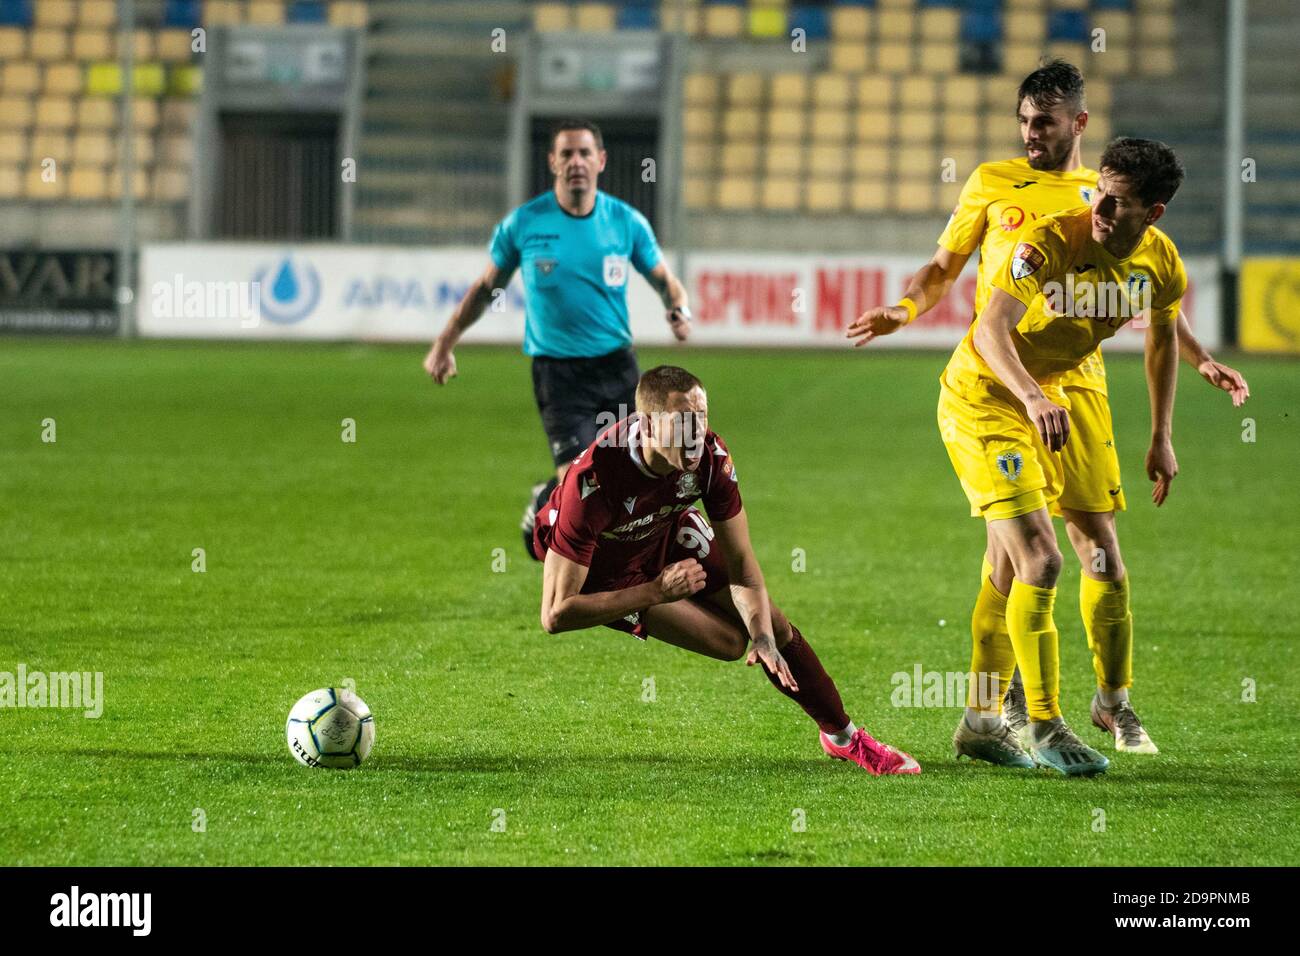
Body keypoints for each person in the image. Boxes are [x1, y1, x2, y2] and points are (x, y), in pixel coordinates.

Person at [847, 62, 1248, 765]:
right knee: (1028, 557)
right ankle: (1021, 713)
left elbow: (1151, 297)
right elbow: (947, 273)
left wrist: (1198, 360)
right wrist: (906, 307)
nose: (1032, 134)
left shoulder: (1108, 196)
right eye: (1025, 120)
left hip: (1074, 383)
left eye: (1046, 121)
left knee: (1093, 553)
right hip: (998, 375)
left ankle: (1082, 705)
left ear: (1079, 125)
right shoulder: (998, 188)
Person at [534, 364, 920, 776]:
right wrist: (655, 591)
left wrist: (765, 637)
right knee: (728, 643)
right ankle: (537, 511)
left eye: (699, 422)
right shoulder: (593, 482)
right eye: (682, 425)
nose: (695, 438)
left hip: (661, 530)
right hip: (603, 575)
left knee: (771, 626)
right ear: (647, 425)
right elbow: (555, 615)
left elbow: (742, 563)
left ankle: (844, 737)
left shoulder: (709, 455)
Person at [422, 119, 692, 555]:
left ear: (601, 161)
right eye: (566, 154)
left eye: (585, 153)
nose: (576, 162)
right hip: (558, 374)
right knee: (581, 479)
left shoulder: (625, 222)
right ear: (552, 162)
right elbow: (486, 287)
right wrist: (445, 341)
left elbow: (666, 279)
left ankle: (623, 549)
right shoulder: (525, 224)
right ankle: (547, 500)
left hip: (618, 367)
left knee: (643, 467)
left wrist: (678, 310)